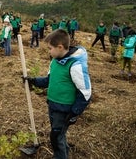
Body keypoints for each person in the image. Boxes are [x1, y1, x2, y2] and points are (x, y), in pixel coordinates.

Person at [22, 29, 91, 159]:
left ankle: (60, 156)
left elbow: (85, 92)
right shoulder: (55, 61)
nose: (48, 51)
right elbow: (49, 80)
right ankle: (64, 152)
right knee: (58, 134)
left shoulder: (75, 65)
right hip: (53, 106)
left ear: (60, 47)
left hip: (64, 110)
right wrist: (33, 80)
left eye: (50, 48)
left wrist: (74, 113)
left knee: (56, 136)